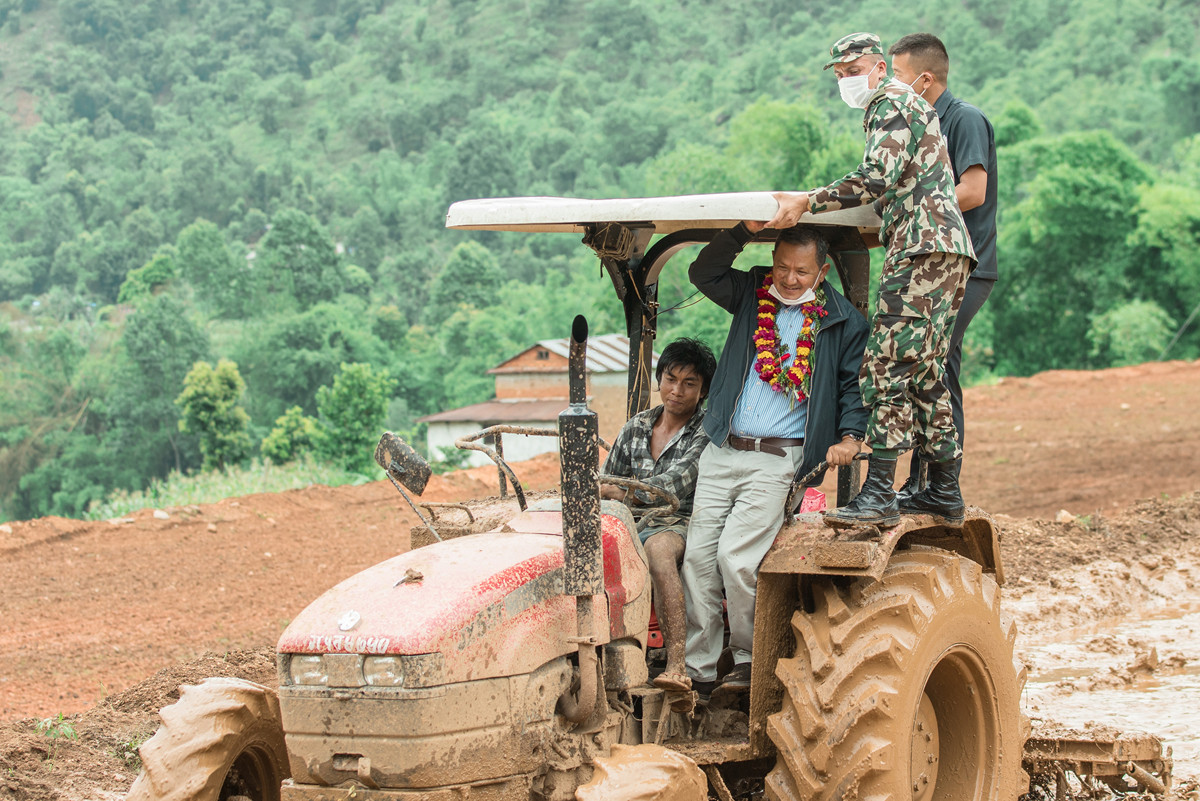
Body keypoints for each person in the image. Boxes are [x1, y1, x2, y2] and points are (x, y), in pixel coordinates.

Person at [764, 32, 976, 530]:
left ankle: (878, 492)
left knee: (883, 367)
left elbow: (875, 177)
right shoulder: (903, 104)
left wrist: (807, 200)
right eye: (839, 74)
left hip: (923, 250)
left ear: (879, 67)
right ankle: (943, 489)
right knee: (923, 374)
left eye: (853, 69)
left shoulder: (891, 102)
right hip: (940, 250)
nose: (847, 80)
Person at [681, 224, 869, 700]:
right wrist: (743, 232)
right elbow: (703, 271)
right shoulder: (751, 292)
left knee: (736, 559)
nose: (788, 278)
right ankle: (699, 672)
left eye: (801, 271)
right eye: (782, 266)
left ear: (820, 272)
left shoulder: (842, 321)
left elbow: (851, 387)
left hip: (778, 458)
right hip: (723, 449)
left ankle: (747, 661)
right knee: (699, 559)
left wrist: (850, 436)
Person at [888, 32, 998, 503]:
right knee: (931, 366)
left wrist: (911, 209)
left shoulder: (964, 119)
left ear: (925, 78)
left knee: (930, 365)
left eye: (897, 76)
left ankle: (935, 482)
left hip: (967, 267)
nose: (891, 86)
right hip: (930, 265)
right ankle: (927, 480)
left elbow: (972, 191)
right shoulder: (918, 125)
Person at [600, 337, 717, 693]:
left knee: (658, 553)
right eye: (670, 379)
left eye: (689, 383)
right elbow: (607, 478)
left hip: (678, 521)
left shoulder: (706, 430)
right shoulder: (636, 426)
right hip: (628, 520)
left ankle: (678, 664)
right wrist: (610, 492)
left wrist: (620, 491)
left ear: (704, 391)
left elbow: (671, 489)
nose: (677, 390)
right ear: (659, 379)